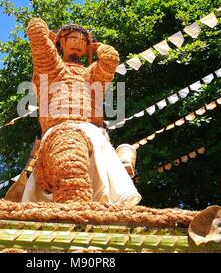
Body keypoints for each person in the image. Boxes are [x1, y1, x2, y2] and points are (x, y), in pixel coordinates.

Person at [22, 18, 141, 206]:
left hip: (91, 131)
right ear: (61, 42)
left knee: (95, 183)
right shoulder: (53, 68)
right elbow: (39, 40)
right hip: (59, 129)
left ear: (88, 48)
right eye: (73, 38)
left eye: (83, 41)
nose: (78, 43)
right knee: (70, 169)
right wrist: (39, 28)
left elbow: (110, 60)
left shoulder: (91, 74)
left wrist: (99, 48)